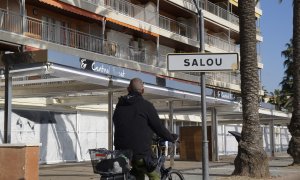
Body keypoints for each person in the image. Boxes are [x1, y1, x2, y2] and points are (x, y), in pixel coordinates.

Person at [113, 78, 178, 180]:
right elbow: (158, 127)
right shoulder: (146, 106)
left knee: (138, 173)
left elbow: (117, 122)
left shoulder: (119, 106)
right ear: (143, 90)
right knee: (156, 176)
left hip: (122, 153)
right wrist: (171, 137)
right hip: (140, 153)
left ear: (128, 89)